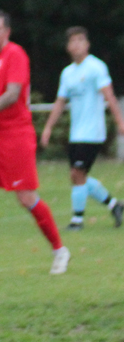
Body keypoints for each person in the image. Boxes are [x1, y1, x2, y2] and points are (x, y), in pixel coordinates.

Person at [0, 9, 70, 277]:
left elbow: (12, 94)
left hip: (16, 135)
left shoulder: (15, 54)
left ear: (7, 32)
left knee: (26, 197)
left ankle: (59, 250)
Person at [40, 26, 124, 231]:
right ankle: (114, 205)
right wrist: (48, 127)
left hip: (93, 132)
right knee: (78, 176)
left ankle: (77, 220)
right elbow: (60, 102)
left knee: (77, 173)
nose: (76, 44)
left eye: (80, 40)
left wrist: (120, 122)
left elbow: (109, 96)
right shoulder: (67, 73)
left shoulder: (96, 67)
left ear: (87, 44)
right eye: (72, 41)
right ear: (68, 46)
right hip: (76, 133)